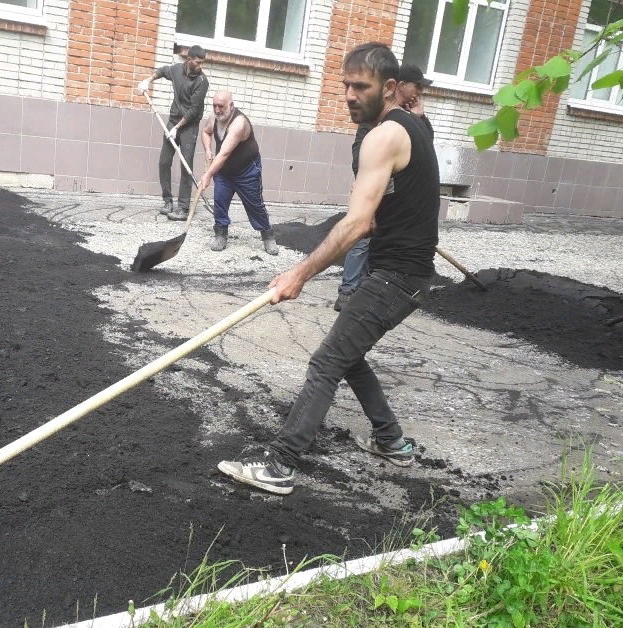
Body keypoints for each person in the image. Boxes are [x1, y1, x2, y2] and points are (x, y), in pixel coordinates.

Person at [217, 43, 440, 495]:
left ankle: (280, 465)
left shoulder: (386, 136)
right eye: (346, 86)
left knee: (327, 362)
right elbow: (373, 219)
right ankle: (391, 440)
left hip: (397, 276)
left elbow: (358, 223)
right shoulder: (404, 129)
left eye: (362, 86)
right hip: (405, 273)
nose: (351, 95)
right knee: (348, 354)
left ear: (391, 87)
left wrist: (298, 273)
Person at [335, 63, 433, 311]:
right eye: (417, 86)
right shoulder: (376, 118)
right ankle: (347, 291)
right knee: (360, 235)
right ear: (398, 86)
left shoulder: (410, 118)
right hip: (374, 188)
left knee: (376, 239)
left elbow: (424, 148)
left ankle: (370, 286)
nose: (419, 92)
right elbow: (362, 154)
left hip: (397, 196)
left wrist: (421, 118)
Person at [198, 90, 279, 256]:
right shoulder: (214, 117)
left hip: (247, 171)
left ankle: (267, 235)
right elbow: (206, 132)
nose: (217, 110)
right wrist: (207, 150)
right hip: (224, 170)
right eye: (214, 106)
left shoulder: (239, 123)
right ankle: (220, 234)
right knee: (219, 201)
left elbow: (225, 153)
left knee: (255, 205)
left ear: (231, 106)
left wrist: (207, 175)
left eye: (221, 106)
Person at [138, 46, 210, 221]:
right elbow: (163, 71)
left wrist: (177, 128)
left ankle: (183, 208)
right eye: (198, 62)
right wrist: (148, 80)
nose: (200, 66)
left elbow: (193, 111)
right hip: (173, 120)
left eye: (202, 62)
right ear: (189, 60)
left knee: (186, 166)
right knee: (164, 162)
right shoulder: (177, 70)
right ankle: (167, 201)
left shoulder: (202, 81)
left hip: (189, 126)